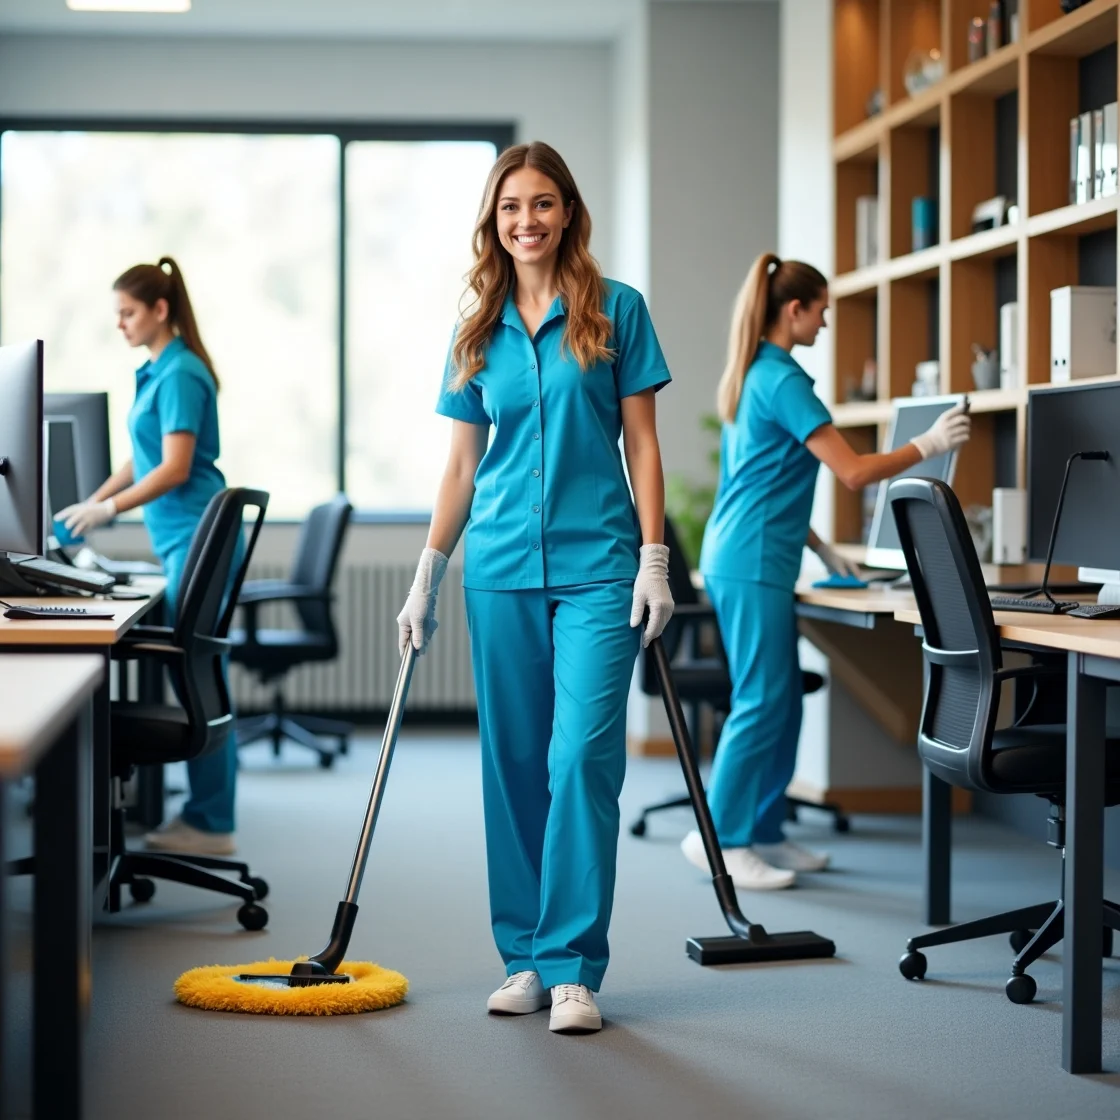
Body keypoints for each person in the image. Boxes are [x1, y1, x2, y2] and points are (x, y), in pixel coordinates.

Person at [396, 141, 673, 1034]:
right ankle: (521, 958)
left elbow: (644, 445)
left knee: (581, 758)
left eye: (544, 203)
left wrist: (656, 557)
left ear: (568, 213)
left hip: (600, 567)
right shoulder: (474, 329)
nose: (529, 220)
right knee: (513, 767)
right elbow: (460, 470)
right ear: (494, 220)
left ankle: (573, 967)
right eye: (512, 206)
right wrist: (426, 577)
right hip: (503, 571)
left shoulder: (617, 311)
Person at [686, 252, 970, 891]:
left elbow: (765, 482)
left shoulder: (753, 373)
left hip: (750, 554)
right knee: (762, 701)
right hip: (752, 560)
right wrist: (929, 445)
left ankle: (762, 831)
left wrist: (823, 551)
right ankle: (720, 841)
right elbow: (853, 471)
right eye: (822, 313)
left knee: (780, 701)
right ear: (794, 310)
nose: (825, 325)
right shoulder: (783, 381)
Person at [58, 256, 241, 858]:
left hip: (197, 536)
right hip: (180, 539)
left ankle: (211, 820)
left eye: (128, 312)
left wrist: (109, 514)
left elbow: (175, 467)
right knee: (193, 666)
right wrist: (95, 499)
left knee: (197, 668)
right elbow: (141, 458)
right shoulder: (156, 371)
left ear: (160, 310)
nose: (121, 324)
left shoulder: (183, 371)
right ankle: (204, 812)